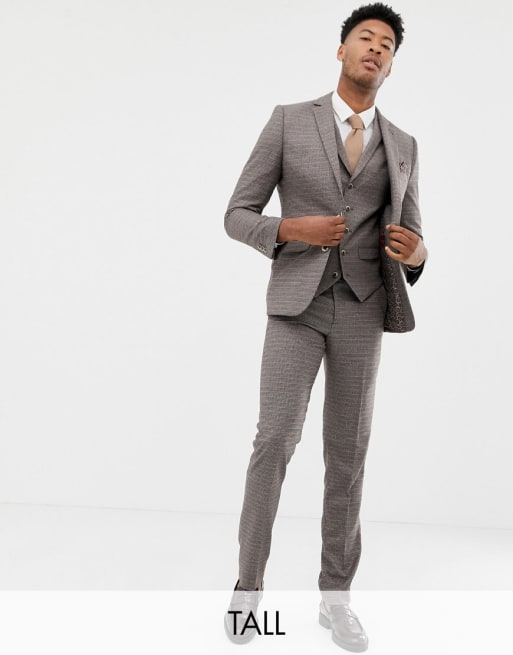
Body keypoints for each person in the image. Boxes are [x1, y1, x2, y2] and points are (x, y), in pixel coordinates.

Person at [223, 3, 427, 651]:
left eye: (386, 44)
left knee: (348, 454)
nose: (375, 48)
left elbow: (412, 233)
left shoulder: (403, 145)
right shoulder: (289, 120)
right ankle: (248, 589)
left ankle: (335, 600)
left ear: (391, 66)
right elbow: (236, 213)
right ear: (341, 51)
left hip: (363, 307)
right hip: (297, 306)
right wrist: (290, 228)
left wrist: (418, 253)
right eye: (365, 37)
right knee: (274, 441)